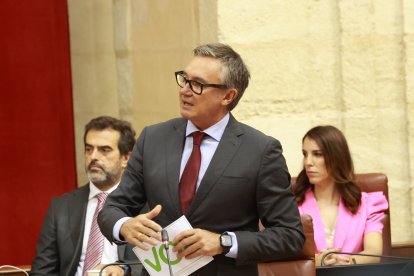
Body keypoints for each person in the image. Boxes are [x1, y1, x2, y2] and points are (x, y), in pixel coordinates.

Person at [97, 43, 305, 276]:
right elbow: (113, 208)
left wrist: (224, 242)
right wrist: (123, 225)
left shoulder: (260, 150)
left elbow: (290, 235)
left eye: (197, 84)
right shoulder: (153, 138)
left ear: (227, 95)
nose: (185, 90)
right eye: (184, 79)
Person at [31, 116, 139, 276]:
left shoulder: (143, 203)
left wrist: (125, 270)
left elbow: (156, 263)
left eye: (104, 150)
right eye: (89, 149)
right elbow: (42, 271)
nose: (93, 156)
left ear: (126, 158)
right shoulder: (61, 207)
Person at [293, 125, 388, 266]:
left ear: (337, 157)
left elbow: (373, 252)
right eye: (305, 154)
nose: (308, 162)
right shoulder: (293, 205)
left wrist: (346, 262)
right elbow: (285, 256)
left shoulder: (368, 204)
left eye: (317, 154)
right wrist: (315, 262)